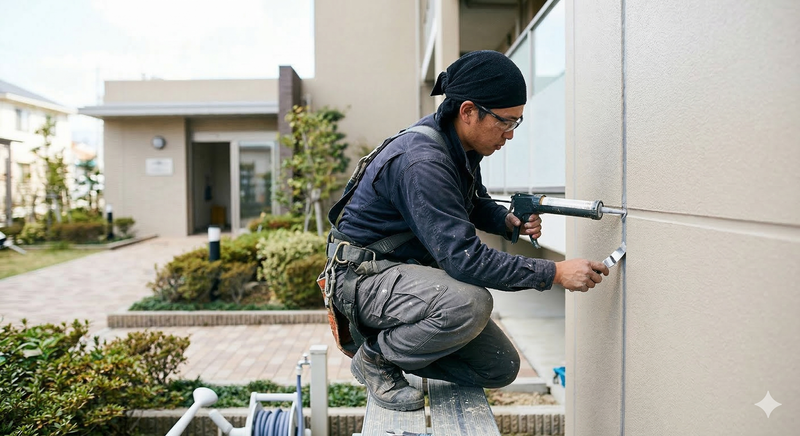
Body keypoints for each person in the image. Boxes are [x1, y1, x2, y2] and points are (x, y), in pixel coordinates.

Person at [322, 50, 609, 412]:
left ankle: (401, 348)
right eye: (506, 122)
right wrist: (555, 272)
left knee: (499, 366)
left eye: (516, 123)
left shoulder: (460, 145)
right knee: (470, 302)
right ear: (469, 111)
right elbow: (465, 261)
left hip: (407, 275)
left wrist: (507, 223)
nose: (510, 134)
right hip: (364, 279)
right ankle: (377, 358)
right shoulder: (422, 161)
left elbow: (473, 201)